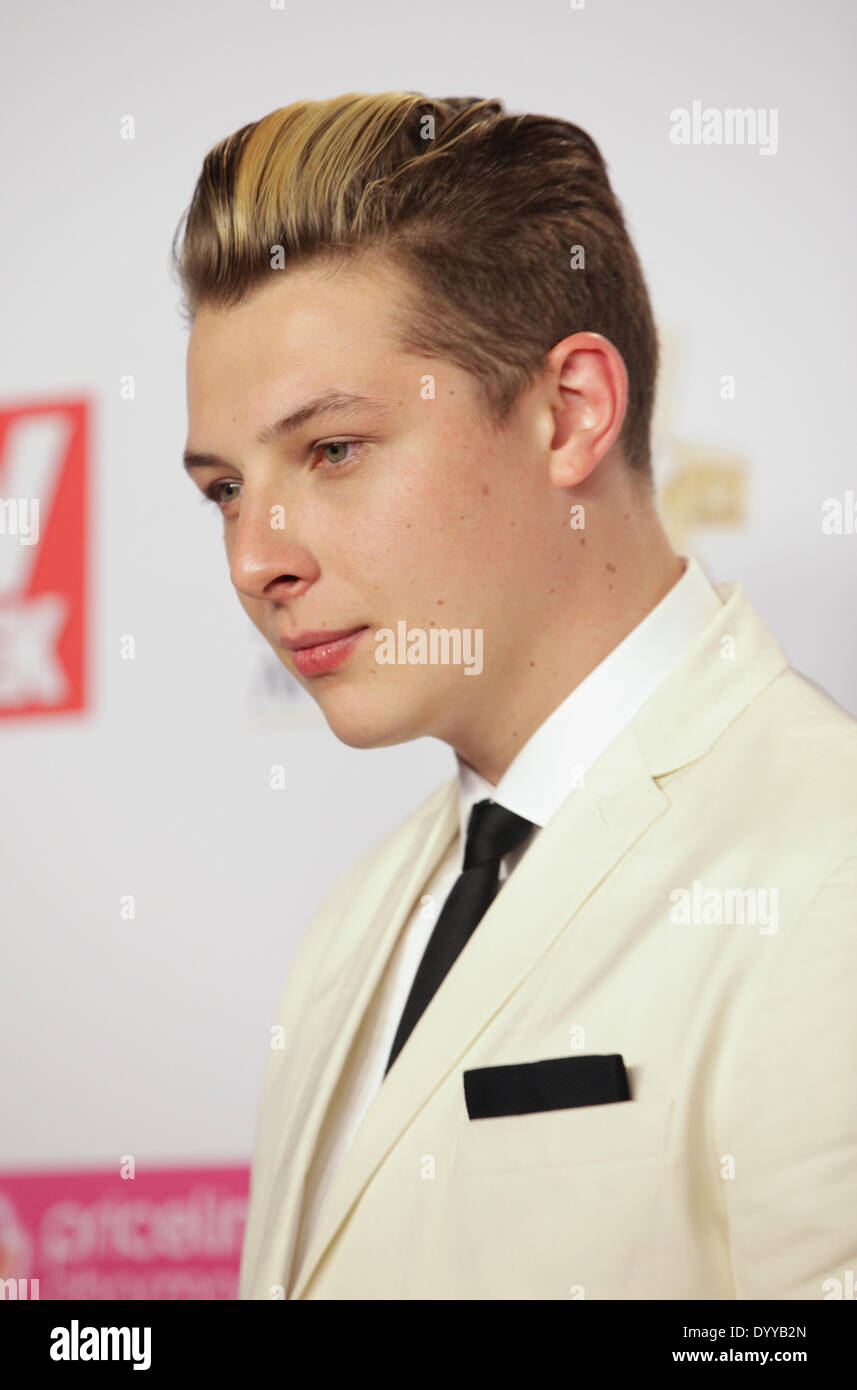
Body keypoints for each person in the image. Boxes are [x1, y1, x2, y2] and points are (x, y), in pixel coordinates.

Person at [173, 92, 857, 1300]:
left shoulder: (826, 871)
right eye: (224, 488)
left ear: (569, 412)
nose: (252, 558)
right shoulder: (359, 921)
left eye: (331, 450)